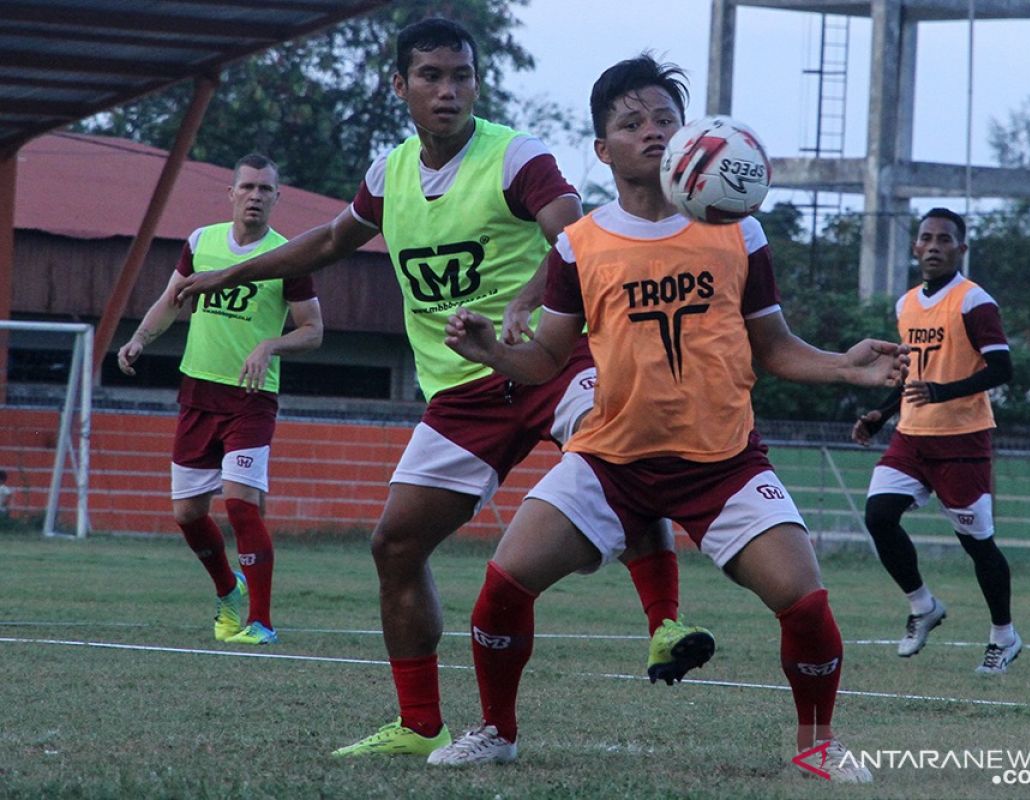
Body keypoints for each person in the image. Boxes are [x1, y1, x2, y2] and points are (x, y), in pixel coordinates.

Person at [175, 18, 707, 758]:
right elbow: (330, 242)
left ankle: (664, 627)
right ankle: (420, 723)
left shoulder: (515, 156)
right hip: (460, 395)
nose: (448, 90)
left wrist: (527, 297)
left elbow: (574, 233)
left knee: (614, 451)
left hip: (552, 362)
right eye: (430, 76)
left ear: (477, 84)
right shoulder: (387, 175)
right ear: (400, 86)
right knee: (394, 545)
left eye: (461, 75)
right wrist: (231, 272)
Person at [427, 54, 908, 783]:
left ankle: (816, 744)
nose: (651, 132)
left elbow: (773, 348)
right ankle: (496, 731)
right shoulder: (578, 244)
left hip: (722, 461)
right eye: (631, 122)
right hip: (607, 460)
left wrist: (846, 365)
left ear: (688, 135)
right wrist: (490, 348)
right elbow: (548, 359)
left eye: (664, 118)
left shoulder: (738, 231)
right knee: (502, 586)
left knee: (805, 601)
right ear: (602, 149)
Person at [118, 153, 323, 646]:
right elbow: (172, 299)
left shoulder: (288, 256)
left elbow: (314, 330)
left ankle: (262, 621)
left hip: (251, 400)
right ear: (231, 193)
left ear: (277, 198)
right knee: (188, 515)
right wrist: (140, 338)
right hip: (197, 394)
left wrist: (271, 344)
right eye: (247, 187)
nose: (255, 196)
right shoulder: (201, 242)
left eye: (265, 189)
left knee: (241, 504)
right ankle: (228, 592)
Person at [851, 207, 1021, 675]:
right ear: (914, 247)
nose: (933, 246)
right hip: (911, 437)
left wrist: (944, 392)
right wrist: (881, 415)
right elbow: (912, 374)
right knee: (879, 515)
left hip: (962, 441)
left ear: (961, 249)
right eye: (926, 238)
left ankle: (1004, 636)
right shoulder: (906, 305)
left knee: (977, 545)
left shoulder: (974, 302)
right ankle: (923, 605)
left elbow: (1002, 369)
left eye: (944, 239)